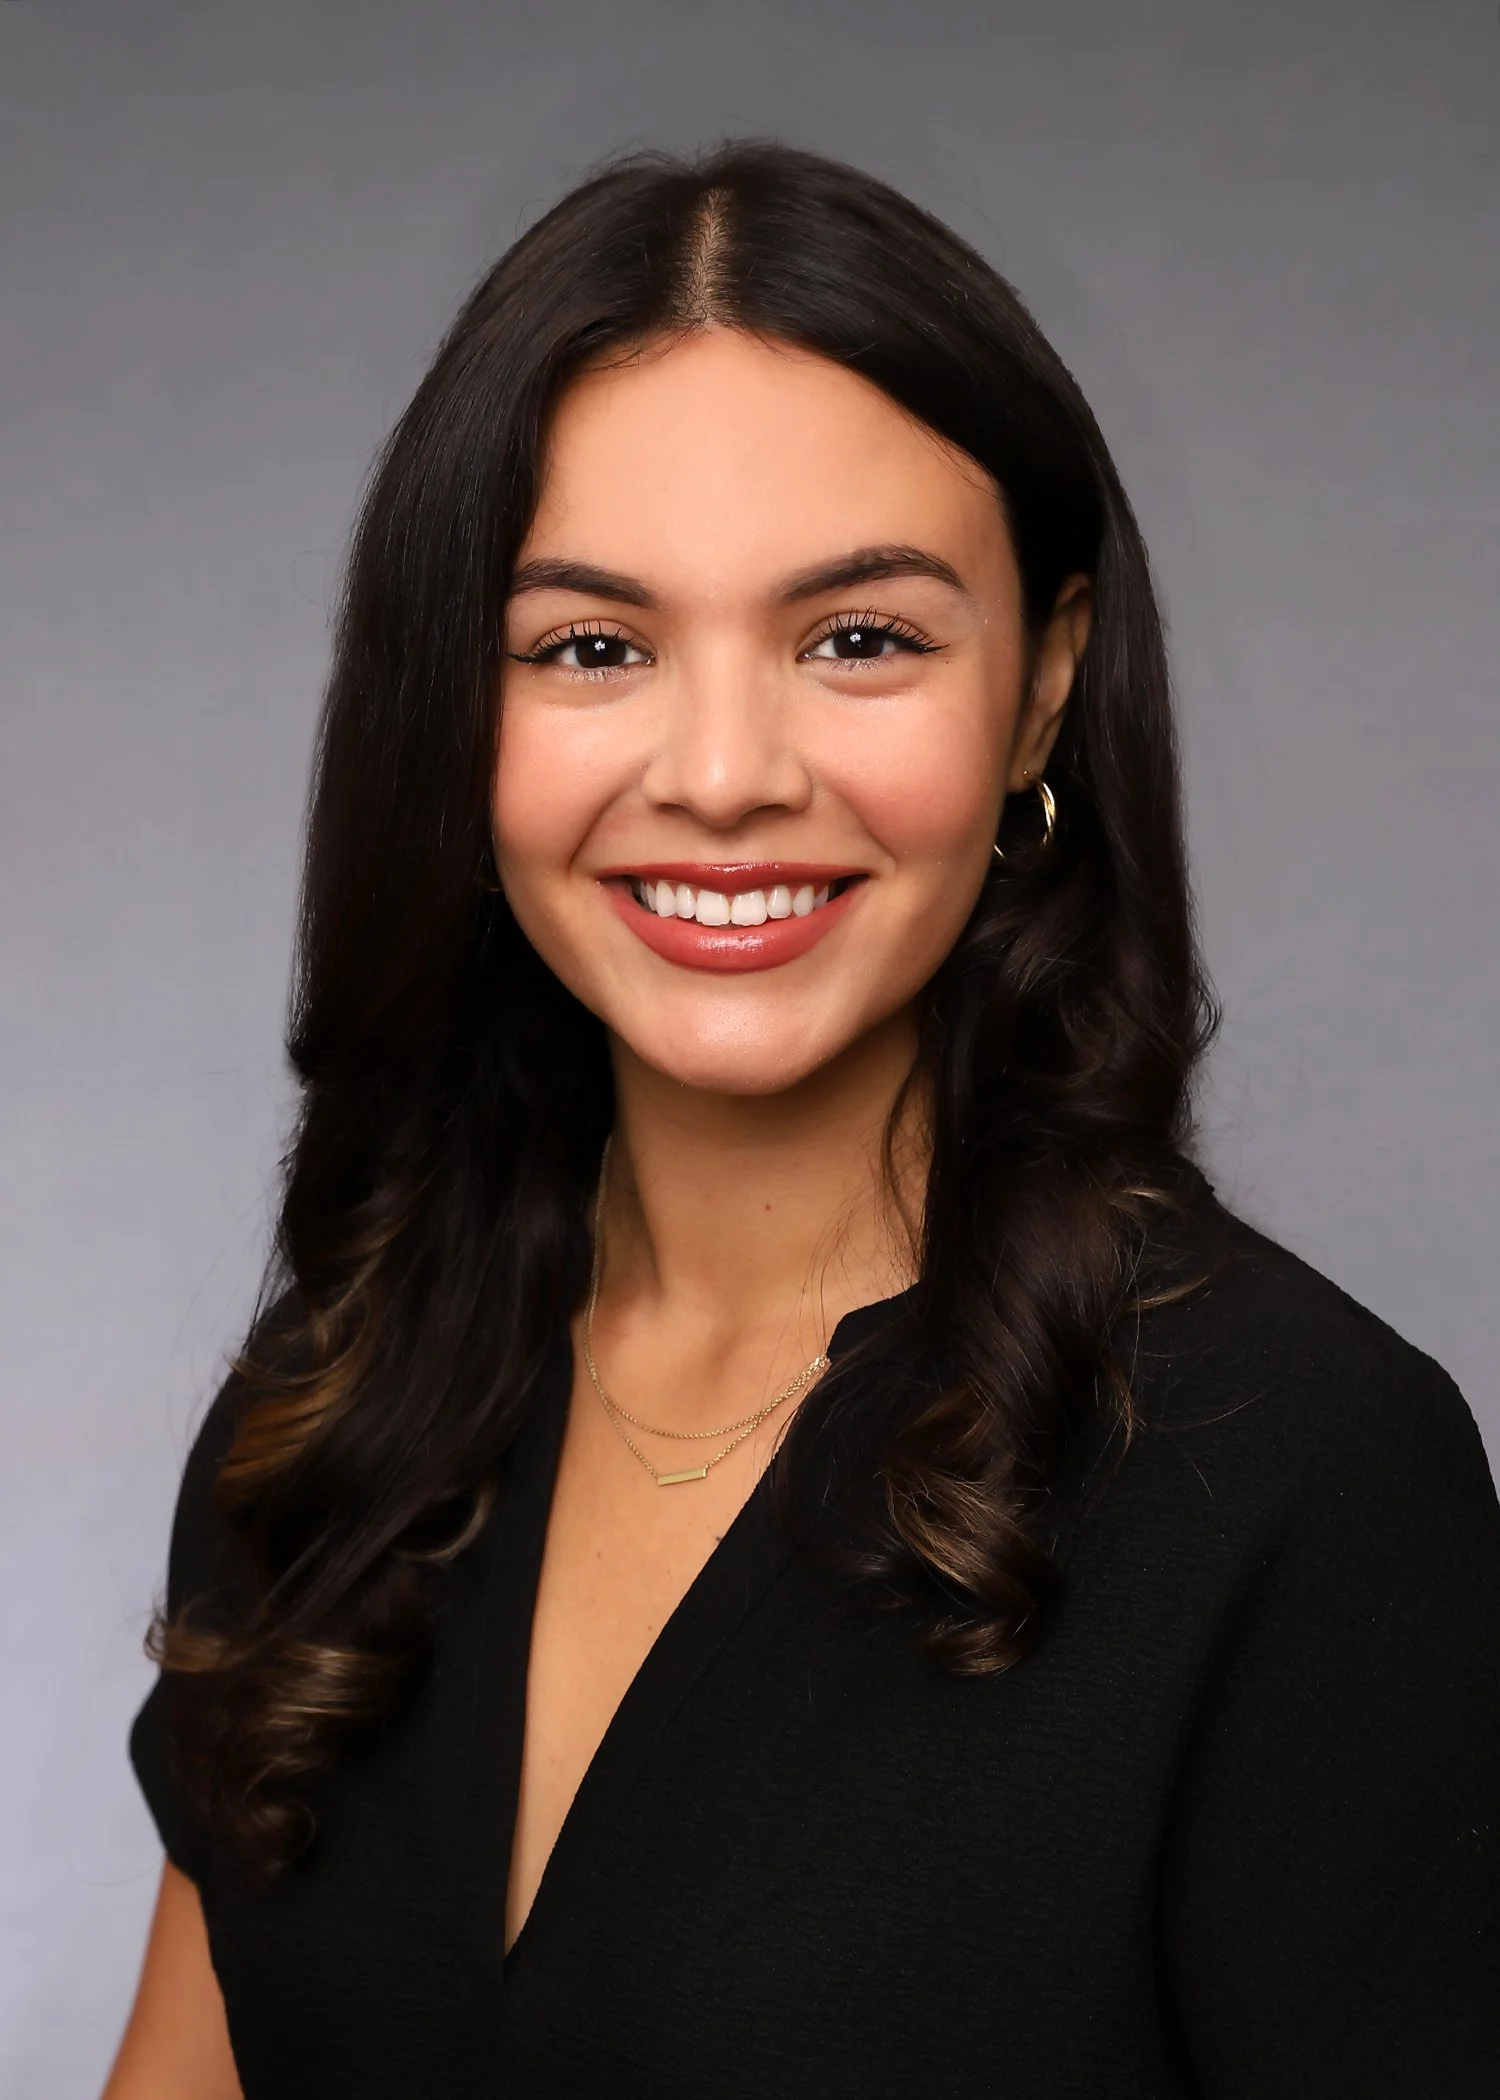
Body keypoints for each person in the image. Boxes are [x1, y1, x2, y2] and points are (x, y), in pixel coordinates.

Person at [104, 143, 1500, 2100]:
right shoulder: (334, 1412)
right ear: (457, 711)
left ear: (1041, 694)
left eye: (862, 638)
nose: (728, 774)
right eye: (593, 645)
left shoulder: (1307, 1477)